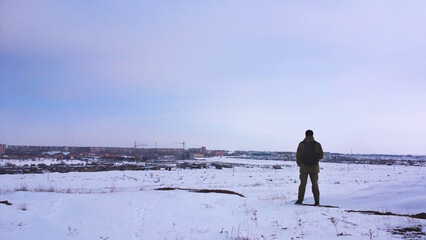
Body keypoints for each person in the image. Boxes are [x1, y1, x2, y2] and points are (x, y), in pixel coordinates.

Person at [295, 129, 324, 206]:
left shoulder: (301, 144)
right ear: (312, 135)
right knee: (315, 184)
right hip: (314, 168)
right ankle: (317, 201)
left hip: (304, 167)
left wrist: (300, 164)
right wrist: (316, 159)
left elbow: (298, 156)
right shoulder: (317, 144)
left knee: (302, 184)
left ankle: (300, 200)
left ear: (305, 135)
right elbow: (321, 155)